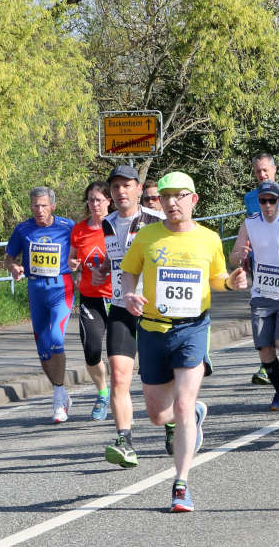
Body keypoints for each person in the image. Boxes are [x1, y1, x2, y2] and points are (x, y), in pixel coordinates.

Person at [120, 171, 248, 511]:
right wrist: (129, 294)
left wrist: (232, 283)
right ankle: (192, 414)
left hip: (192, 328)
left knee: (182, 403)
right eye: (166, 197)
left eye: (179, 196)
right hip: (151, 329)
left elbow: (218, 280)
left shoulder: (207, 239)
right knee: (159, 416)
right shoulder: (147, 236)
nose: (172, 202)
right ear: (159, 202)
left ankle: (181, 485)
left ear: (193, 200)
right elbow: (129, 271)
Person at [97, 165, 165, 469]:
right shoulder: (107, 223)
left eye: (126, 186)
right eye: (115, 188)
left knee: (159, 381)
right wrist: (103, 270)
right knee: (119, 376)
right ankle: (125, 440)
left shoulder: (158, 221)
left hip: (154, 309)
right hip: (121, 308)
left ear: (139, 189)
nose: (121, 192)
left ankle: (175, 423)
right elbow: (116, 262)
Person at [230, 181, 279, 411]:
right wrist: (240, 255)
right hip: (262, 292)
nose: (267, 205)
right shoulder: (250, 223)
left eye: (271, 200)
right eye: (263, 201)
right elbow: (234, 255)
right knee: (265, 349)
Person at [4, 187, 77, 423]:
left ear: (53, 206)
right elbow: (8, 258)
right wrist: (13, 268)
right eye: (35, 205)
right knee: (44, 350)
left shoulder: (68, 227)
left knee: (56, 338)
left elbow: (81, 252)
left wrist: (78, 263)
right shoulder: (23, 229)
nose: (39, 210)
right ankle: (61, 391)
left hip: (61, 288)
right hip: (36, 290)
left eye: (44, 205)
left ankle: (57, 399)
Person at [69, 181, 113, 421]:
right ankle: (103, 393)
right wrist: (74, 266)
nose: (95, 204)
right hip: (90, 297)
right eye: (91, 200)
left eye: (99, 199)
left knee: (118, 353)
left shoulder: (117, 226)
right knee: (92, 351)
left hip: (117, 297)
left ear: (109, 200)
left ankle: (120, 395)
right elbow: (73, 259)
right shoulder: (79, 230)